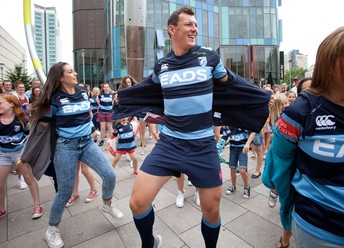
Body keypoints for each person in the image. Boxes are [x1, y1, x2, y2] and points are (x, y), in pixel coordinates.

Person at [262, 26, 344, 248]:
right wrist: (287, 214)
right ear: (330, 63)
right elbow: (279, 168)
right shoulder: (300, 112)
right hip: (318, 228)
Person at [128, 7, 229, 248]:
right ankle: (149, 243)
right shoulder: (162, 66)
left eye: (195, 25)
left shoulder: (210, 58)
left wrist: (257, 99)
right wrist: (125, 98)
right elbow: (146, 91)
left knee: (211, 210)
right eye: (189, 25)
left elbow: (231, 86)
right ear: (172, 30)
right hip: (169, 144)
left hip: (203, 146)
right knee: (137, 203)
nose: (194, 29)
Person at [31, 62, 123, 248]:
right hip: (66, 147)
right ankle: (52, 229)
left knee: (110, 175)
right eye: (70, 71)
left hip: (87, 143)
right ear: (61, 78)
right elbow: (42, 126)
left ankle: (106, 204)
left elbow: (86, 115)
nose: (75, 73)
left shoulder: (82, 92)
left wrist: (93, 131)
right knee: (65, 191)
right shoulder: (54, 99)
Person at [0, 94, 43, 219]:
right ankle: (1, 209)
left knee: (28, 178)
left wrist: (25, 155)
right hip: (3, 155)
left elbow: (30, 137)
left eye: (1, 102)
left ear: (11, 104)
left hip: (20, 153)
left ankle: (37, 205)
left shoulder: (22, 120)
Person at [225, 127, 255, 198]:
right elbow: (227, 134)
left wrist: (248, 143)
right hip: (232, 148)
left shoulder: (244, 121)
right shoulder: (230, 123)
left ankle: (246, 186)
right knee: (232, 169)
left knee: (242, 170)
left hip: (242, 149)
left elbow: (253, 132)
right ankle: (233, 186)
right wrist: (226, 140)